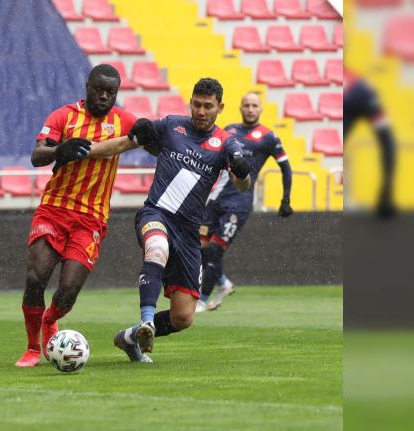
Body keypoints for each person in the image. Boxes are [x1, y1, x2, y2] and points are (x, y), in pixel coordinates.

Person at [105, 78, 252, 363]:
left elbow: (242, 184)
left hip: (188, 232)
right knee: (157, 248)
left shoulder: (226, 143)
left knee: (183, 317)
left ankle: (130, 337)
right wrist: (88, 150)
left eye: (208, 106)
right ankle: (146, 320)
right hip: (156, 213)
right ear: (191, 102)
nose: (201, 111)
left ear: (220, 108)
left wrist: (243, 173)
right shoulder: (172, 125)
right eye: (196, 104)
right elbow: (130, 142)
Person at [15, 64, 137, 367]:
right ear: (88, 87)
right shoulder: (64, 116)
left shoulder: (123, 121)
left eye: (111, 92)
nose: (104, 96)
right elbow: (37, 156)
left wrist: (151, 132)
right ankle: (32, 348)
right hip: (54, 209)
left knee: (68, 290)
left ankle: (50, 320)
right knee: (35, 277)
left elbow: (153, 137)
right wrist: (60, 150)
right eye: (99, 90)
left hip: (91, 219)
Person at [196, 91, 293, 312]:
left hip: (239, 203)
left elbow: (286, 168)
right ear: (240, 108)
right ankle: (223, 283)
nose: (250, 109)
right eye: (247, 105)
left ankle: (202, 300)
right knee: (201, 250)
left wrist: (286, 199)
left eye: (254, 105)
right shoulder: (229, 130)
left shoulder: (269, 137)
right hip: (214, 199)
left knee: (215, 250)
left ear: (261, 109)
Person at [344, 68, 396, 218]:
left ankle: (386, 194)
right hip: (361, 92)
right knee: (386, 139)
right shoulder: (362, 88)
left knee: (386, 138)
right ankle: (386, 195)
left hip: (354, 94)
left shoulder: (357, 87)